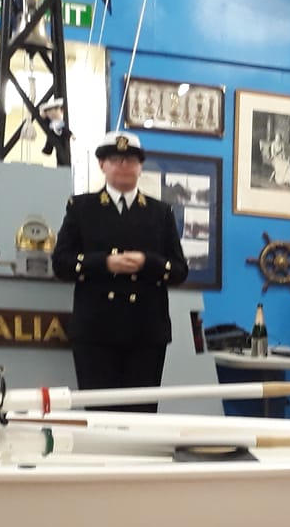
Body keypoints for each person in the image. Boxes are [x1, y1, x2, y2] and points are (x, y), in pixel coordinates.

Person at [52, 131, 188, 412]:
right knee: (99, 416)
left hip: (145, 332)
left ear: (140, 166)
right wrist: (105, 263)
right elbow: (61, 263)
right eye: (115, 159)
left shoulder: (160, 213)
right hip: (96, 331)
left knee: (140, 416)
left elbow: (179, 270)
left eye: (131, 160)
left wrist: (147, 263)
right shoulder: (81, 208)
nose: (124, 165)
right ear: (102, 165)